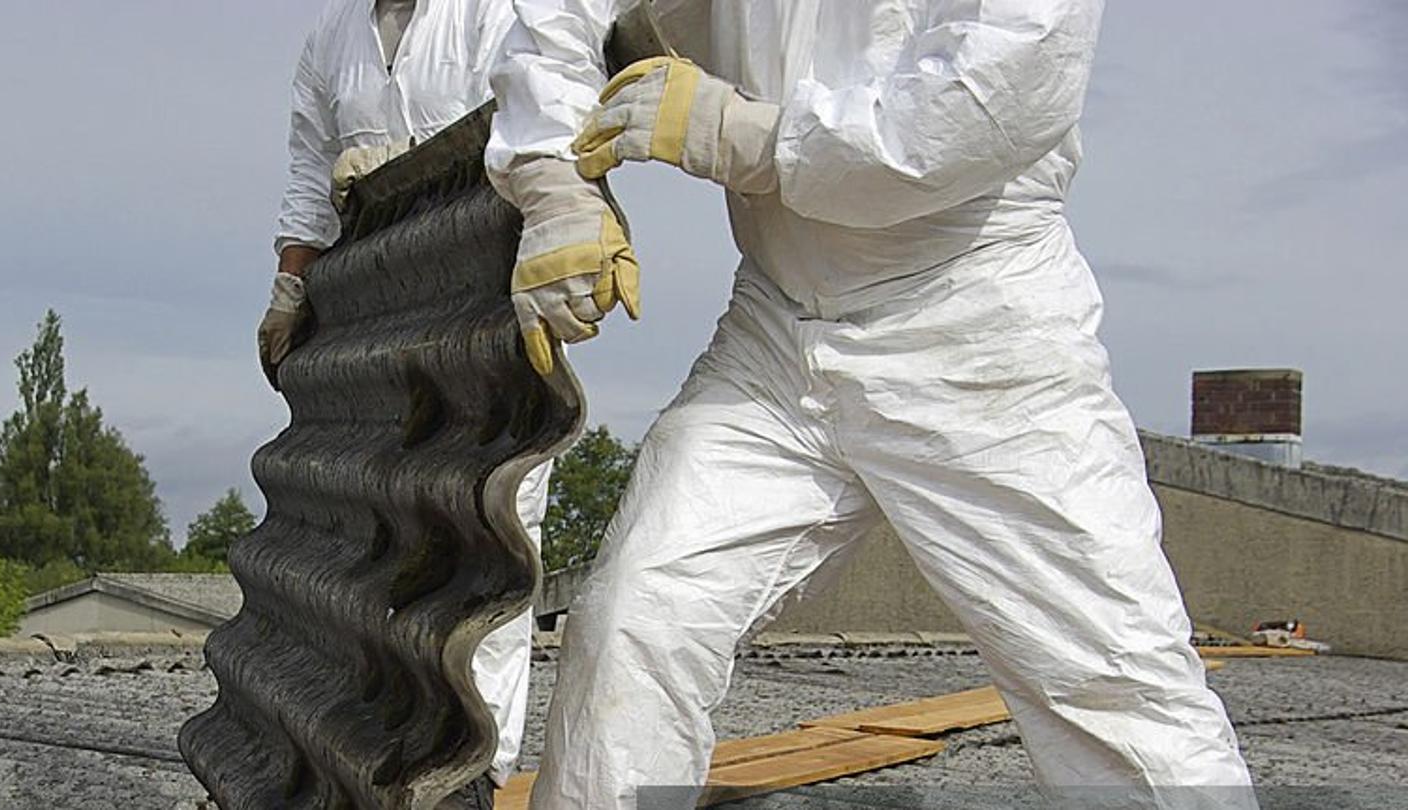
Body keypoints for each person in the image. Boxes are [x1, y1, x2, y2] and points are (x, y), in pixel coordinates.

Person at [484, 1, 1258, 808]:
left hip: (974, 325)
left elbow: (983, 108)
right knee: (634, 619)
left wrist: (742, 134)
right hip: (777, 332)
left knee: (1109, 681)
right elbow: (563, 15)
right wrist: (555, 186)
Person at [258, 0, 539, 802]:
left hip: (489, 307)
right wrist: (291, 286)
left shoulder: (496, 12)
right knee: (377, 527)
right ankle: (379, 742)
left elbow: (544, 126)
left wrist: (421, 169)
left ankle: (474, 765)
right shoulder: (333, 39)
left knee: (491, 529)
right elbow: (311, 174)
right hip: (380, 322)